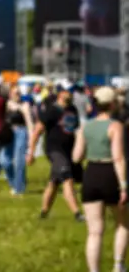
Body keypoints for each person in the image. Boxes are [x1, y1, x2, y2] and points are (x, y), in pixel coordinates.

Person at [72, 87, 128, 272]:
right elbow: (118, 157)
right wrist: (124, 186)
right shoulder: (115, 126)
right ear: (112, 104)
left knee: (94, 231)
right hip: (110, 174)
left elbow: (76, 157)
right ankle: (118, 265)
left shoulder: (85, 127)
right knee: (123, 223)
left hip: (91, 174)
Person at [27, 86, 85, 221]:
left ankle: (43, 213)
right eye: (67, 91)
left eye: (71, 91)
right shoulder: (51, 110)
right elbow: (37, 131)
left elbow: (76, 131)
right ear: (60, 94)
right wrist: (31, 152)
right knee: (67, 178)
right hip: (55, 150)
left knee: (54, 182)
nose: (70, 94)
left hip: (69, 150)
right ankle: (77, 214)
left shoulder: (72, 109)